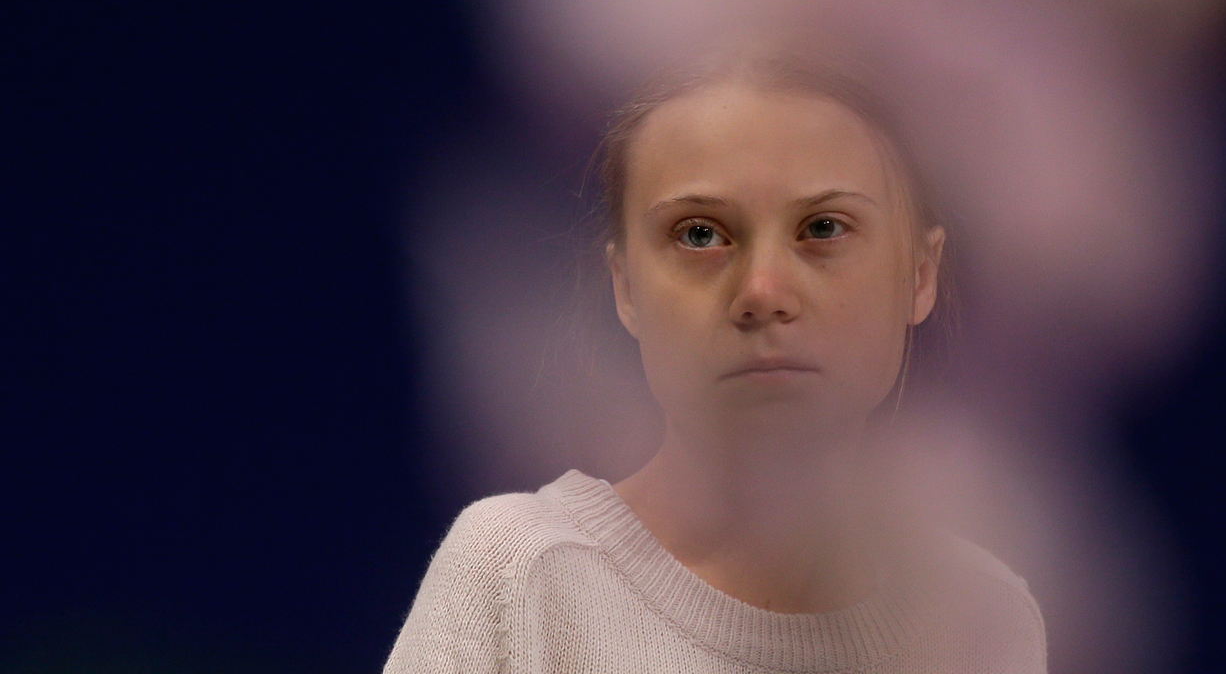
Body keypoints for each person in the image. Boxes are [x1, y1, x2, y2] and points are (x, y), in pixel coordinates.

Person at [384, 52, 1047, 673]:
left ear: (920, 274)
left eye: (823, 229)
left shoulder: (985, 618)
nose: (762, 293)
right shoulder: (516, 576)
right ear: (625, 287)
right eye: (699, 234)